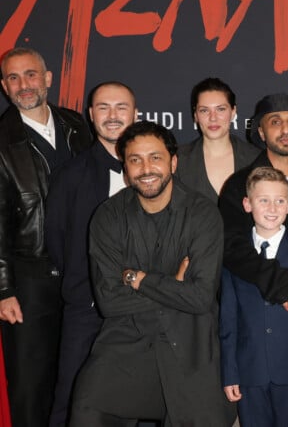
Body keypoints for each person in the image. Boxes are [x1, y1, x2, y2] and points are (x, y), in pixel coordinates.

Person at [70, 121, 234, 426]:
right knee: (86, 412)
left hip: (189, 343)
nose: (146, 168)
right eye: (135, 160)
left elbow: (200, 297)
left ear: (173, 161)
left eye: (155, 157)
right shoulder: (108, 215)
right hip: (126, 341)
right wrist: (173, 286)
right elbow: (109, 302)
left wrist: (139, 279)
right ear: (125, 167)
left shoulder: (202, 213)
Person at [0, 47, 92, 427]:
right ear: (4, 86)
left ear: (48, 78)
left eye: (31, 74)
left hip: (80, 273)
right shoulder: (1, 139)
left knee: (79, 381)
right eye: (14, 78)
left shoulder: (78, 127)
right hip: (28, 279)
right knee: (31, 385)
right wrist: (3, 289)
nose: (24, 85)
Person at [45, 81, 138, 427]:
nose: (112, 116)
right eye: (103, 107)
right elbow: (56, 239)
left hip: (142, 309)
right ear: (90, 115)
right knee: (72, 395)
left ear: (135, 114)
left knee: (134, 399)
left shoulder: (154, 173)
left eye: (121, 108)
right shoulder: (71, 175)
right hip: (86, 308)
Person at [220, 167, 288, 427]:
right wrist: (230, 373)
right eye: (263, 200)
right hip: (249, 368)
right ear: (247, 204)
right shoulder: (234, 256)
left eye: (279, 201)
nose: (272, 208)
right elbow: (229, 319)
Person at [219, 93, 288, 309]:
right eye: (275, 122)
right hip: (260, 298)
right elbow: (230, 245)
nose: (285, 129)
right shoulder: (241, 183)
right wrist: (275, 281)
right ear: (261, 131)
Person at [176, 77, 259, 203]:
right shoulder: (178, 160)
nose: (213, 118)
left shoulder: (255, 158)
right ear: (196, 116)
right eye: (204, 110)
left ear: (233, 112)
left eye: (220, 109)